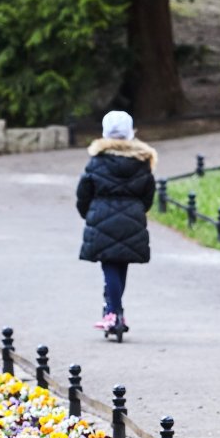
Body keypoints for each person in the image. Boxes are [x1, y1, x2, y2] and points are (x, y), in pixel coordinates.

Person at [77, 110, 156, 336]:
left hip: (102, 217)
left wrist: (88, 213)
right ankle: (114, 310)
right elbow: (148, 193)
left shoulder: (97, 161)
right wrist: (139, 211)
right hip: (132, 218)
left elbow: (84, 192)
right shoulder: (141, 161)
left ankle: (114, 312)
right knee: (121, 265)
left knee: (109, 265)